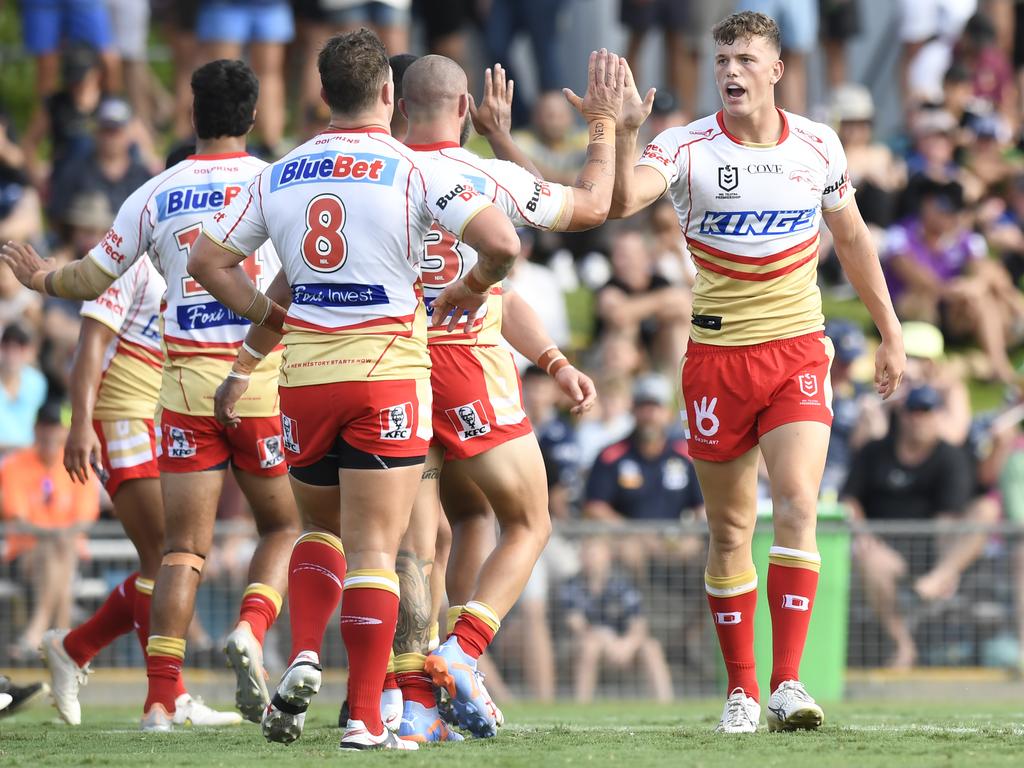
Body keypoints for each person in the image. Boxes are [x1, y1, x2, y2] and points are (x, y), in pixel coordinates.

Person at [190, 29, 521, 751]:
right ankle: (368, 718)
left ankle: (305, 651)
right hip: (386, 374)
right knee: (377, 550)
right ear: (389, 95)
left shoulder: (278, 174)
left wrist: (269, 316)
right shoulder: (412, 167)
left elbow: (207, 260)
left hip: (302, 378)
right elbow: (503, 244)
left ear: (320, 95)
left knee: (316, 532)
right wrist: (466, 289)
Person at [608, 11, 905, 733]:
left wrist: (889, 331)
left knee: (799, 502)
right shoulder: (682, 146)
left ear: (777, 69)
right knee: (731, 525)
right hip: (716, 360)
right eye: (721, 60)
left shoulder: (818, 144)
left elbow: (854, 239)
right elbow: (619, 202)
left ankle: (787, 684)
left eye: (745, 58)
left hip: (799, 349)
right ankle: (740, 690)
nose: (731, 71)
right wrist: (617, 135)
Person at [1, 59, 300, 732]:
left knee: (178, 553)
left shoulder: (153, 192)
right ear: (254, 118)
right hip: (256, 379)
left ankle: (161, 701)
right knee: (283, 526)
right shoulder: (278, 184)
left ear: (190, 115)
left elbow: (88, 277)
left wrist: (41, 280)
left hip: (182, 390)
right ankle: (253, 631)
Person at [391, 53, 613, 740]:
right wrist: (604, 124)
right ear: (465, 110)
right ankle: (462, 653)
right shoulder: (483, 175)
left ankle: (418, 708)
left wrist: (551, 359)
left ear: (396, 106)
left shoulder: (373, 173)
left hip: (391, 366)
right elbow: (591, 205)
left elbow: (504, 293)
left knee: (432, 536)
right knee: (530, 520)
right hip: (464, 365)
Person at [38, 253, 239, 728]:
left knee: (168, 559)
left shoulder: (189, 267)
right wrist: (81, 424)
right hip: (120, 418)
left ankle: (77, 650)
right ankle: (166, 699)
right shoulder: (133, 265)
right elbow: (90, 346)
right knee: (170, 554)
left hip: (154, 418)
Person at [843, 384, 995, 669]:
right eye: (913, 410)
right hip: (886, 552)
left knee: (987, 509)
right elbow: (849, 499)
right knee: (870, 558)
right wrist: (862, 533)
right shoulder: (874, 451)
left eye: (926, 411)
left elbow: (947, 519)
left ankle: (941, 576)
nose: (918, 418)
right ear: (901, 415)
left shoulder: (951, 456)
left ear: (937, 415)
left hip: (937, 550)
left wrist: (944, 568)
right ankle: (903, 646)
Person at [1, 402, 100, 657]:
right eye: (44, 426)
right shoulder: (14, 465)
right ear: (35, 429)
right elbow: (15, 516)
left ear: (63, 431)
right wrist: (55, 535)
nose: (48, 433)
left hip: (67, 552)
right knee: (53, 546)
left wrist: (57, 535)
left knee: (59, 547)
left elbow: (87, 517)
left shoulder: (77, 462)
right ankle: (62, 637)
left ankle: (37, 631)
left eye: (54, 427)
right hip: (24, 554)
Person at [562, 537, 674, 703]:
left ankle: (666, 704)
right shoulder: (571, 586)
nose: (589, 559)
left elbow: (638, 623)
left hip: (621, 645)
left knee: (651, 647)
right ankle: (581, 705)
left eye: (593, 554)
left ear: (607, 556)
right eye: (585, 554)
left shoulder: (623, 585)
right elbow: (576, 624)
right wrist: (602, 638)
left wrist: (627, 643)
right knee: (590, 647)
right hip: (584, 644)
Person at [196, 0, 295, 154]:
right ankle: (271, 143)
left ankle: (223, 141)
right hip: (265, 6)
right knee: (268, 74)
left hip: (229, 7)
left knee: (222, 75)